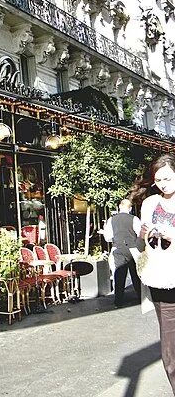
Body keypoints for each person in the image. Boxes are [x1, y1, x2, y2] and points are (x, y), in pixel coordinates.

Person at [129, 153, 175, 393]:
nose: (163, 184)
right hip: (163, 280)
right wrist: (145, 233)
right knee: (170, 351)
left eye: (167, 178)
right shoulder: (149, 203)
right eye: (158, 180)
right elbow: (144, 243)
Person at [103, 199, 143, 308]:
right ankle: (141, 297)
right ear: (130, 208)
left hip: (118, 248)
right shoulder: (134, 219)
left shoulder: (111, 220)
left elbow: (107, 238)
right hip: (133, 248)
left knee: (119, 275)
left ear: (119, 207)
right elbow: (140, 234)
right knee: (136, 274)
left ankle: (118, 301)